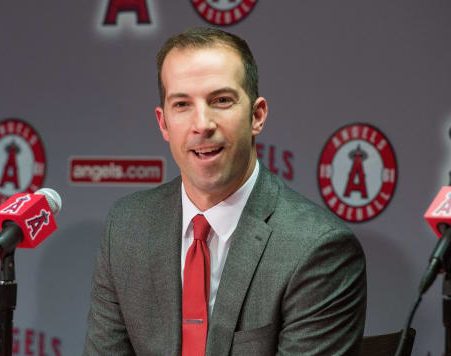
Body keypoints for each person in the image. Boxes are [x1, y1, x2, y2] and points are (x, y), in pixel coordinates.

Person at [83, 27, 366, 356]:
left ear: (256, 116)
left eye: (220, 100)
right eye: (182, 104)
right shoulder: (127, 227)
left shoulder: (317, 248)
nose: (202, 123)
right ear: (163, 123)